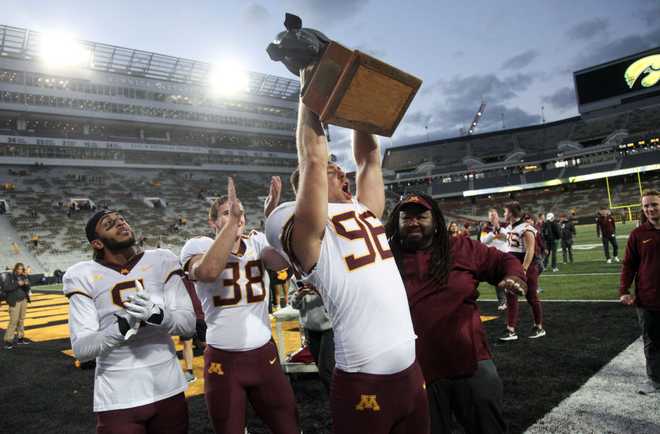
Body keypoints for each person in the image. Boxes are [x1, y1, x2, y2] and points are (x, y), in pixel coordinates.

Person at [266, 68, 430, 434]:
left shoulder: (363, 209)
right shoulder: (311, 233)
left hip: (411, 371)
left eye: (339, 169)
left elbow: (369, 158)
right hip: (364, 381)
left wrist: (361, 105)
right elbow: (311, 157)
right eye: (332, 170)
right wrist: (310, 85)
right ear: (309, 187)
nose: (341, 173)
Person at [385, 193, 526, 434]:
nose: (414, 222)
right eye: (406, 217)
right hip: (418, 370)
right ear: (396, 222)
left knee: (488, 428)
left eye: (421, 216)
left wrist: (513, 276)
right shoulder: (384, 257)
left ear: (436, 219)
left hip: (470, 361)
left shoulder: (461, 247)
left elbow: (505, 261)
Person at [180, 178, 300, 434]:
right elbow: (209, 270)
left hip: (263, 353)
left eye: (239, 212)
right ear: (213, 223)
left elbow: (282, 263)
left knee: (288, 426)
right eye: (227, 213)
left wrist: (273, 221)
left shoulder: (257, 242)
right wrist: (231, 226)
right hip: (223, 359)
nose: (237, 217)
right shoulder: (197, 245)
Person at [63, 210, 196, 434]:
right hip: (118, 396)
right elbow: (82, 349)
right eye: (110, 224)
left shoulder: (162, 259)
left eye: (122, 219)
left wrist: (157, 315)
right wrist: (123, 327)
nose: (121, 224)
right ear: (97, 243)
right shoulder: (82, 274)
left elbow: (188, 324)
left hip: (168, 388)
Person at [619, 190, 660, 395]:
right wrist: (624, 290)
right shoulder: (638, 234)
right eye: (646, 206)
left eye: (654, 204)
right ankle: (655, 380)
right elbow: (629, 264)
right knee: (651, 341)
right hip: (648, 298)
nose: (650, 209)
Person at [499, 201, 546, 341]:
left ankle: (539, 326)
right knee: (510, 296)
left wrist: (523, 269)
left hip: (527, 266)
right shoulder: (509, 227)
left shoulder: (526, 227)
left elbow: (530, 249)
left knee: (531, 297)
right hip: (513, 266)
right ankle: (511, 330)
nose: (504, 214)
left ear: (512, 213)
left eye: (505, 211)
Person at [480, 208, 510, 310]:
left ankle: (510, 298)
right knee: (498, 280)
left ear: (498, 215)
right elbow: (483, 242)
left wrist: (497, 234)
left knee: (509, 277)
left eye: (494, 215)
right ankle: (502, 302)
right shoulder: (485, 229)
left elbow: (505, 238)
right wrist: (493, 234)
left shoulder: (504, 225)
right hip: (493, 257)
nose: (493, 217)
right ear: (488, 217)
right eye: (491, 215)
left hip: (505, 255)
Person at [2, 262, 31, 349]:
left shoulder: (23, 276)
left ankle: (20, 338)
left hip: (23, 300)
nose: (20, 270)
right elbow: (6, 288)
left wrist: (26, 283)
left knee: (21, 320)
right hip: (14, 301)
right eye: (19, 269)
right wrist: (18, 284)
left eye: (22, 269)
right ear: (15, 269)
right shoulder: (9, 276)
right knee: (13, 321)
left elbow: (27, 288)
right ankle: (8, 341)